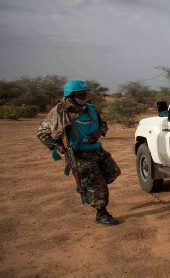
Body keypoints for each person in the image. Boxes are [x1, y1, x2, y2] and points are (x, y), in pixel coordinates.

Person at [37, 80, 121, 225]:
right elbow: (42, 133)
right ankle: (101, 213)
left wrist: (99, 132)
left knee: (113, 171)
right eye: (80, 94)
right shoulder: (60, 112)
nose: (83, 96)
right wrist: (55, 146)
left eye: (85, 93)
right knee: (97, 184)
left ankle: (87, 185)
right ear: (70, 95)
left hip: (96, 149)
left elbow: (103, 123)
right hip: (78, 154)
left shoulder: (90, 108)